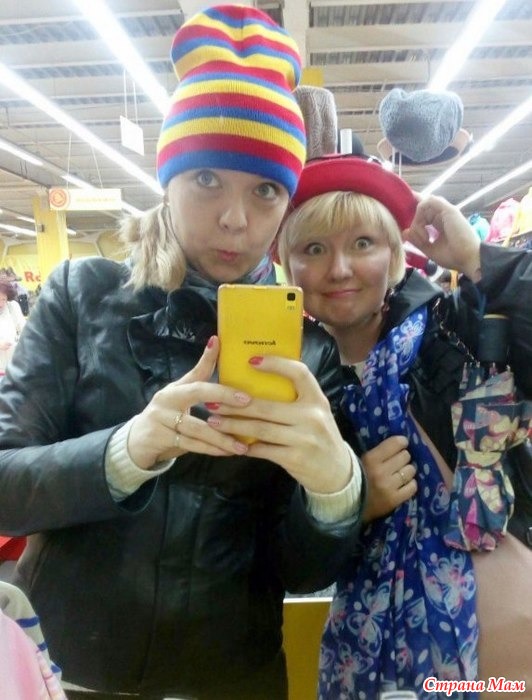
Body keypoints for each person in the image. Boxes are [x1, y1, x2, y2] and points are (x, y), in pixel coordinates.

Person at [0, 8, 365, 700]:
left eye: (265, 190)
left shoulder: (310, 350)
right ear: (167, 178)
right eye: (207, 180)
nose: (235, 218)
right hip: (67, 670)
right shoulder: (82, 295)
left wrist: (332, 491)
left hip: (229, 675)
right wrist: (126, 450)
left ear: (286, 202)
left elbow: (304, 571)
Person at [278, 154, 532, 698]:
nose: (339, 269)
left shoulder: (458, 331)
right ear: (288, 265)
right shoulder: (288, 381)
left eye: (363, 243)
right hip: (362, 651)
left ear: (395, 254)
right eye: (314, 249)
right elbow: (292, 565)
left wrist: (477, 258)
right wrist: (350, 502)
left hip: (502, 635)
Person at [0, 281, 25, 374]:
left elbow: (25, 329)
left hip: (15, 364)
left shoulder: (13, 307)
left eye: (3, 299)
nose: (1, 304)